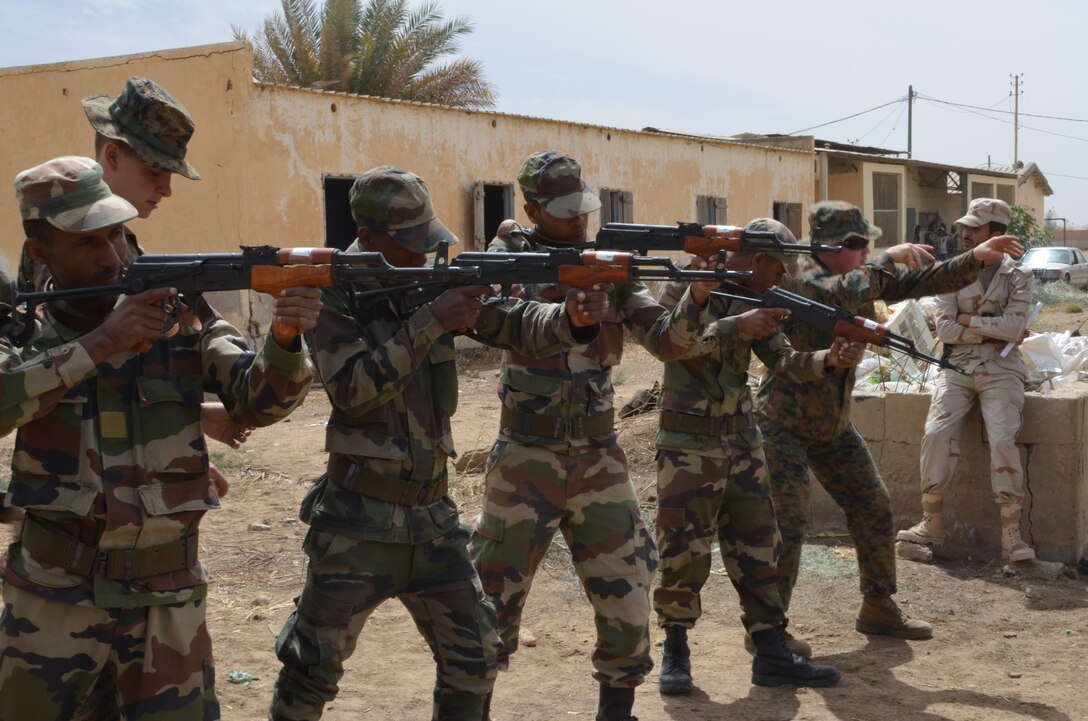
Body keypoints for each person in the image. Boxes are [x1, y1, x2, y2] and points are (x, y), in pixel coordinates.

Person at [267, 166, 607, 721]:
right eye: (410, 243)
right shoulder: (332, 293)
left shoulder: (428, 278)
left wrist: (570, 319)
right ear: (369, 236)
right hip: (358, 523)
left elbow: (513, 323)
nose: (425, 253)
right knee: (311, 670)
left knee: (476, 656)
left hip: (432, 517)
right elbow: (353, 391)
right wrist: (430, 321)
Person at [0, 156, 320, 721]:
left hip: (166, 605)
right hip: (50, 603)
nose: (111, 257)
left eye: (117, 236)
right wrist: (100, 344)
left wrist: (287, 337)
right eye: (87, 244)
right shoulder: (24, 331)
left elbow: (259, 401)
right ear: (41, 253)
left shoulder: (178, 314)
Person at [467, 150, 716, 721]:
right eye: (563, 210)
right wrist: (566, 310)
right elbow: (489, 321)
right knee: (490, 605)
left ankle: (617, 710)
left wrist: (697, 296)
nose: (579, 219)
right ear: (530, 208)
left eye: (584, 207)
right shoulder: (506, 258)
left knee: (628, 590)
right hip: (526, 456)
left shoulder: (608, 261)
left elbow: (668, 342)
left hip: (599, 457)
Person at [754, 201, 1025, 647]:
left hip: (832, 424)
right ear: (828, 246)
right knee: (789, 522)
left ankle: (878, 606)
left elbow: (922, 280)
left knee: (873, 506)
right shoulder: (797, 277)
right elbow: (836, 291)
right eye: (858, 246)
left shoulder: (860, 277)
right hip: (783, 425)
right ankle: (769, 630)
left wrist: (976, 258)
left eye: (867, 246)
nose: (865, 253)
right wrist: (887, 259)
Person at [653, 218, 860, 694]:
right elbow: (671, 345)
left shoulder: (761, 298)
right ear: (760, 259)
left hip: (742, 441)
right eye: (781, 268)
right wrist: (733, 324)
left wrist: (829, 359)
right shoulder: (689, 282)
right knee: (683, 551)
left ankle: (770, 652)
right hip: (689, 445)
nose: (783, 279)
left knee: (759, 548)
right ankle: (676, 651)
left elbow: (783, 361)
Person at [899, 199, 1035, 562]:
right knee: (935, 433)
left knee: (1004, 439)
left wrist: (969, 322)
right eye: (966, 227)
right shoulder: (952, 272)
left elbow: (1015, 328)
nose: (966, 234)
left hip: (1001, 370)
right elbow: (943, 327)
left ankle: (1011, 534)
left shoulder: (1019, 276)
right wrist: (993, 329)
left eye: (975, 228)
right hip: (957, 367)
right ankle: (932, 523)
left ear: (998, 234)